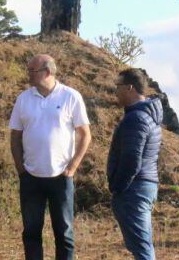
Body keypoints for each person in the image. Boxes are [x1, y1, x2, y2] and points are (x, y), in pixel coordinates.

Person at [9, 53, 92, 260]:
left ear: (47, 72)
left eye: (32, 70)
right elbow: (15, 136)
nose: (28, 73)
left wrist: (72, 168)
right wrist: (21, 169)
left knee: (64, 233)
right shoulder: (23, 99)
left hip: (61, 177)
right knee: (31, 232)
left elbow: (85, 135)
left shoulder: (71, 96)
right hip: (31, 177)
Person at [107, 68, 162, 260]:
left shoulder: (135, 119)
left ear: (129, 88)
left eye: (118, 87)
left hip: (134, 189)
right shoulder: (146, 115)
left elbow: (132, 159)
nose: (116, 92)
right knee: (142, 246)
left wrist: (118, 187)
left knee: (142, 248)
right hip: (142, 186)